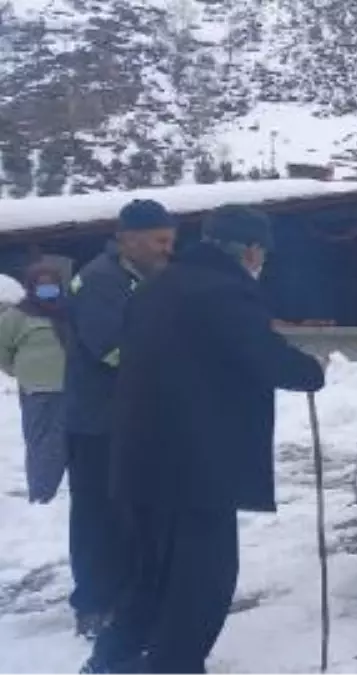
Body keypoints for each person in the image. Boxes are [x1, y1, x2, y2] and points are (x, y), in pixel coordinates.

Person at [82, 205, 326, 675]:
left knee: (151, 574)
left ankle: (113, 659)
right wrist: (310, 370)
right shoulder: (226, 292)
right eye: (261, 253)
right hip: (196, 468)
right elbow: (260, 355)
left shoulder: (156, 287)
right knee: (202, 582)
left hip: (140, 459)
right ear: (251, 250)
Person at [63, 198, 177, 638]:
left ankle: (132, 593)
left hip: (134, 420)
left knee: (134, 513)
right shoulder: (99, 281)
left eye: (171, 240)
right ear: (128, 239)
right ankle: (93, 602)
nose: (168, 249)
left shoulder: (148, 276)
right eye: (160, 241)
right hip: (98, 422)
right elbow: (112, 348)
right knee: (98, 513)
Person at [0, 259, 70, 504]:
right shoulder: (17, 315)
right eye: (42, 285)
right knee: (39, 441)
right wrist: (17, 370)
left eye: (52, 285)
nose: (47, 289)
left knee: (62, 440)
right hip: (35, 388)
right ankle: (41, 494)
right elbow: (2, 349)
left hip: (67, 385)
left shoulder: (68, 311)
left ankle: (53, 492)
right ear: (32, 287)